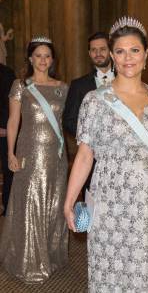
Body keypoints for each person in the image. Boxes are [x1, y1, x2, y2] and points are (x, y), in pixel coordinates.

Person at [64, 17, 148, 292]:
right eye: (120, 51)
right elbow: (85, 154)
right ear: (112, 56)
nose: (128, 58)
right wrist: (69, 199)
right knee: (107, 274)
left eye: (135, 50)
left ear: (146, 55)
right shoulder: (95, 100)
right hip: (108, 204)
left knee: (144, 276)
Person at [0, 36, 68, 283]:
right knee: (31, 203)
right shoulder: (21, 86)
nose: (43, 60)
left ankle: (51, 255)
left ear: (53, 59)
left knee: (54, 203)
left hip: (57, 155)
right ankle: (28, 259)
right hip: (29, 153)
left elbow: (63, 123)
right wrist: (10, 153)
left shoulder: (62, 87)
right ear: (30, 58)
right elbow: (13, 121)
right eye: (38, 55)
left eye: (47, 56)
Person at [63, 31, 114, 199]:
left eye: (102, 49)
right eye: (93, 50)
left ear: (111, 50)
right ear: (89, 53)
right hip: (90, 157)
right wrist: (91, 137)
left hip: (119, 156)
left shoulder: (126, 80)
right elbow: (69, 119)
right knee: (92, 206)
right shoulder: (78, 85)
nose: (98, 53)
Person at [0, 63, 15, 216]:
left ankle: (7, 206)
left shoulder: (7, 73)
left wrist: (4, 126)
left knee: (8, 169)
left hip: (3, 132)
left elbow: (10, 103)